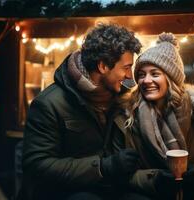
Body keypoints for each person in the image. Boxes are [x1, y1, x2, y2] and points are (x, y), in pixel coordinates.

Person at [21, 23, 150, 200]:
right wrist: (102, 167)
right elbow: (37, 165)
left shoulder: (123, 98)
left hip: (113, 189)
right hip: (66, 193)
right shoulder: (48, 104)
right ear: (103, 66)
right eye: (126, 68)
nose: (130, 76)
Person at [115, 33, 194, 200]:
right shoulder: (127, 115)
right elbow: (121, 174)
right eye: (141, 74)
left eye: (154, 74)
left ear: (170, 78)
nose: (146, 80)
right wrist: (155, 179)